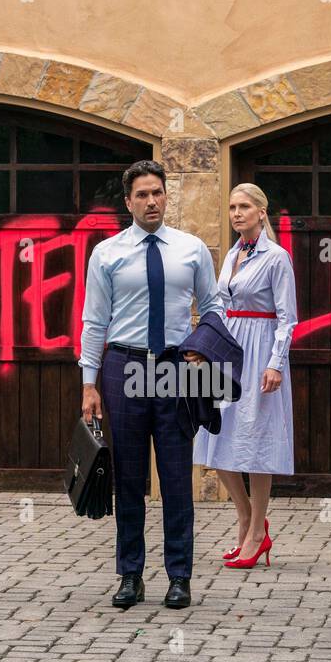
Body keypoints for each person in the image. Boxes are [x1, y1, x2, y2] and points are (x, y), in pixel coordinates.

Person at [80, 160, 219, 610]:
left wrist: (201, 347)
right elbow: (94, 321)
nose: (151, 201)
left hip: (176, 369)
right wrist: (89, 383)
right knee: (130, 478)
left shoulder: (191, 248)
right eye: (142, 194)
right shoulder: (107, 253)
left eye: (157, 192)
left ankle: (180, 577)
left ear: (166, 196)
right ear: (128, 202)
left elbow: (215, 306)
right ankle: (130, 575)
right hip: (125, 367)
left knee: (178, 478)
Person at [193, 183, 297, 569]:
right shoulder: (233, 254)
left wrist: (276, 362)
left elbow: (288, 318)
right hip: (227, 350)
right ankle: (245, 516)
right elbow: (219, 305)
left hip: (260, 350)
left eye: (244, 207)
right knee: (216, 431)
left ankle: (257, 533)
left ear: (262, 212)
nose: (237, 213)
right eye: (232, 207)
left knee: (257, 438)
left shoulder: (276, 258)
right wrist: (205, 347)